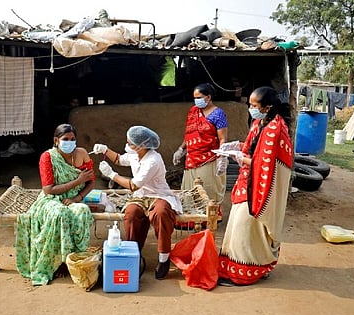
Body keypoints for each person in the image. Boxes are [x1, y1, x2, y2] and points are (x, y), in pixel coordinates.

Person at [217, 86, 293, 286]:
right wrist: (236, 146)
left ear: (267, 107)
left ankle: (246, 271)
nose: (251, 108)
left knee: (246, 228)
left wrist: (241, 158)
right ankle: (254, 265)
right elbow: (255, 149)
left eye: (254, 105)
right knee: (240, 226)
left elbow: (264, 164)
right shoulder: (260, 123)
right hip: (248, 182)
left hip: (260, 187)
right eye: (249, 105)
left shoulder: (275, 129)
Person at [93, 126, 182, 280]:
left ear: (143, 145)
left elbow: (134, 185)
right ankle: (134, 253)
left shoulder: (153, 160)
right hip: (141, 196)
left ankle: (164, 258)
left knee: (161, 214)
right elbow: (119, 159)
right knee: (131, 214)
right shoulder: (135, 155)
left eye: (131, 144)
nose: (128, 146)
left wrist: (112, 175)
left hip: (159, 195)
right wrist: (105, 150)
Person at [15, 123, 95, 286]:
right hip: (50, 199)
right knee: (59, 214)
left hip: (72, 199)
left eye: (73, 139)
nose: (70, 142)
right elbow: (48, 189)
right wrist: (77, 181)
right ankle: (57, 262)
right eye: (65, 139)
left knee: (82, 212)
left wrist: (77, 198)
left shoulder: (82, 154)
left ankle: (73, 260)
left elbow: (91, 182)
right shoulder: (47, 157)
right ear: (56, 141)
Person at [172, 83, 228, 225]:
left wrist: (222, 156)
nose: (196, 100)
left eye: (199, 97)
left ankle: (208, 217)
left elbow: (222, 138)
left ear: (208, 97)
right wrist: (181, 149)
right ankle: (190, 219)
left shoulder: (218, 114)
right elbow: (189, 134)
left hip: (209, 158)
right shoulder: (193, 111)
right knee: (190, 190)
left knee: (208, 189)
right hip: (191, 157)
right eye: (195, 98)